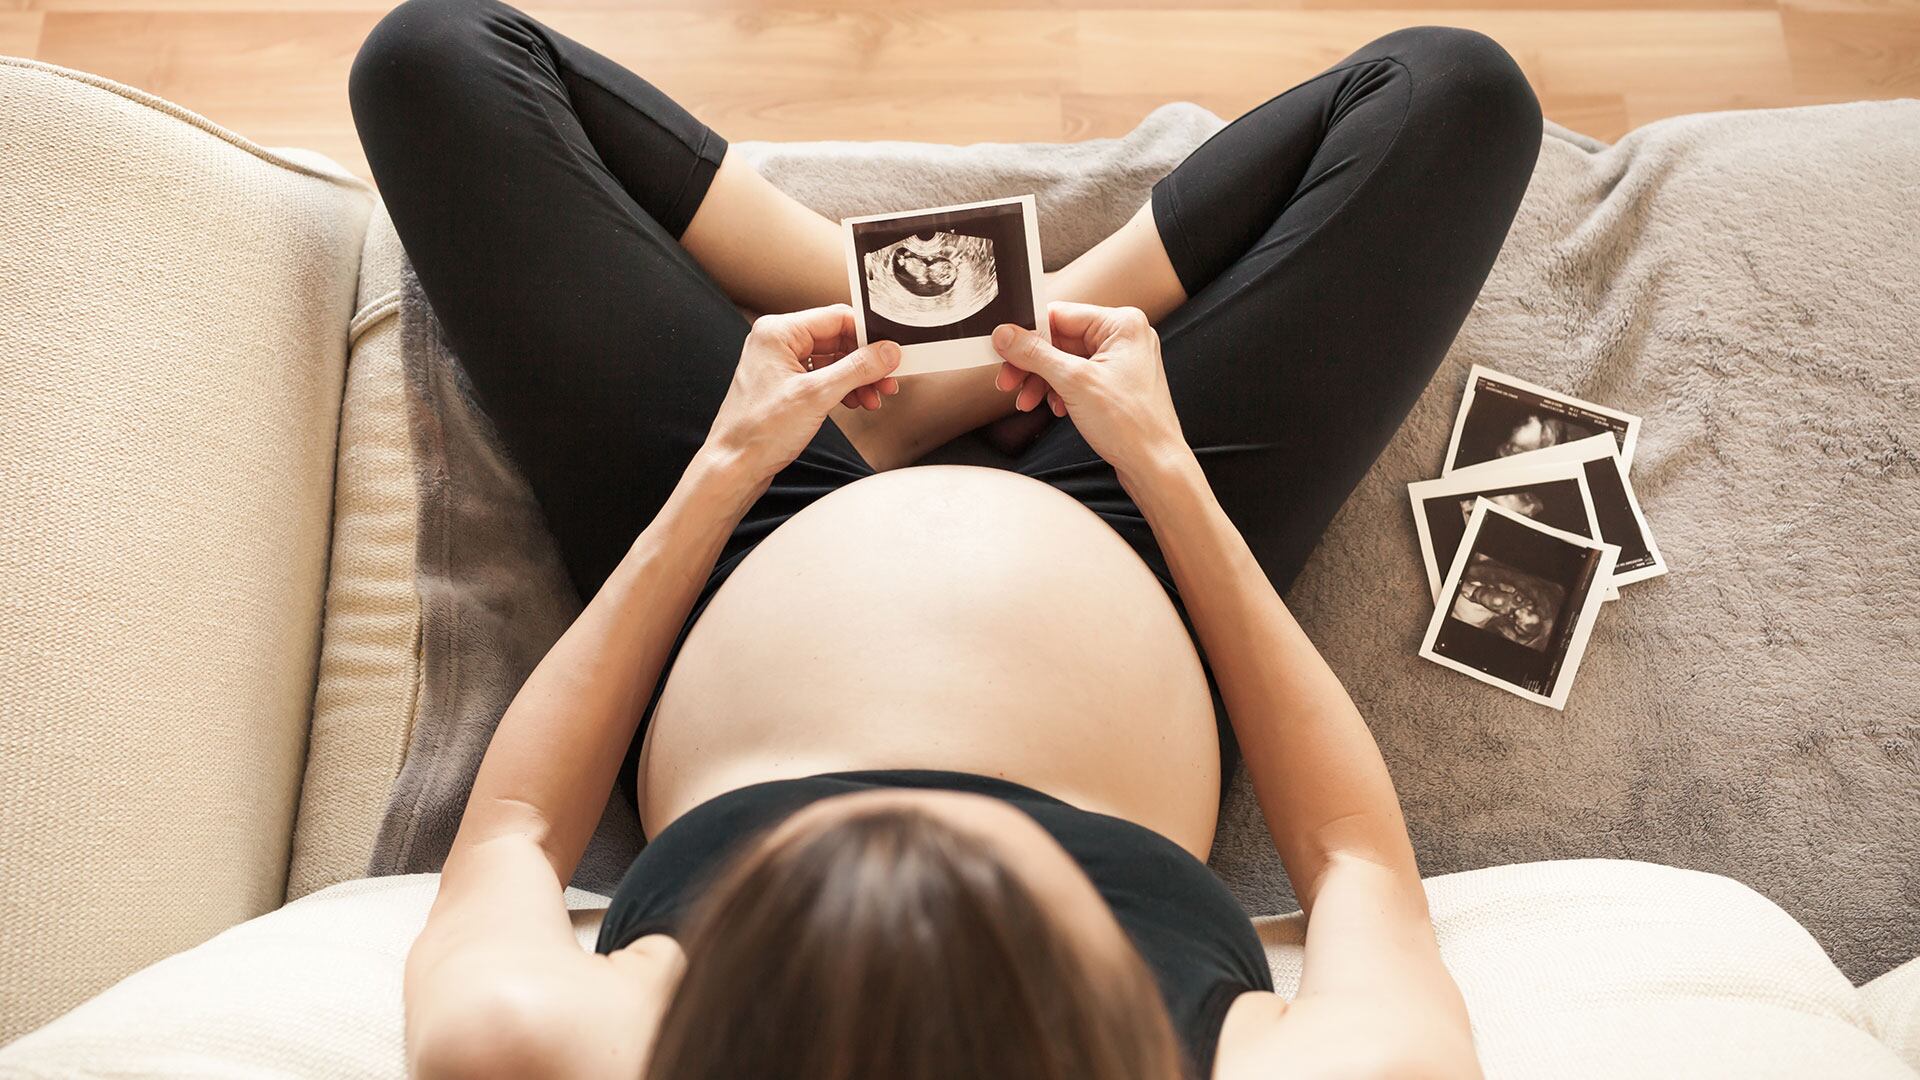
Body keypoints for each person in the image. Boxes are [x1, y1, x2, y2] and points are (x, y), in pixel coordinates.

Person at [347, 1, 1542, 1076]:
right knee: (1454, 96)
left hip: (740, 538)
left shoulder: (534, 1042)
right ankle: (1001, 330)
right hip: (1137, 542)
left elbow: (513, 831)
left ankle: (949, 343)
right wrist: (1164, 469)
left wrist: (726, 467)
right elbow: (1356, 865)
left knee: (435, 59)